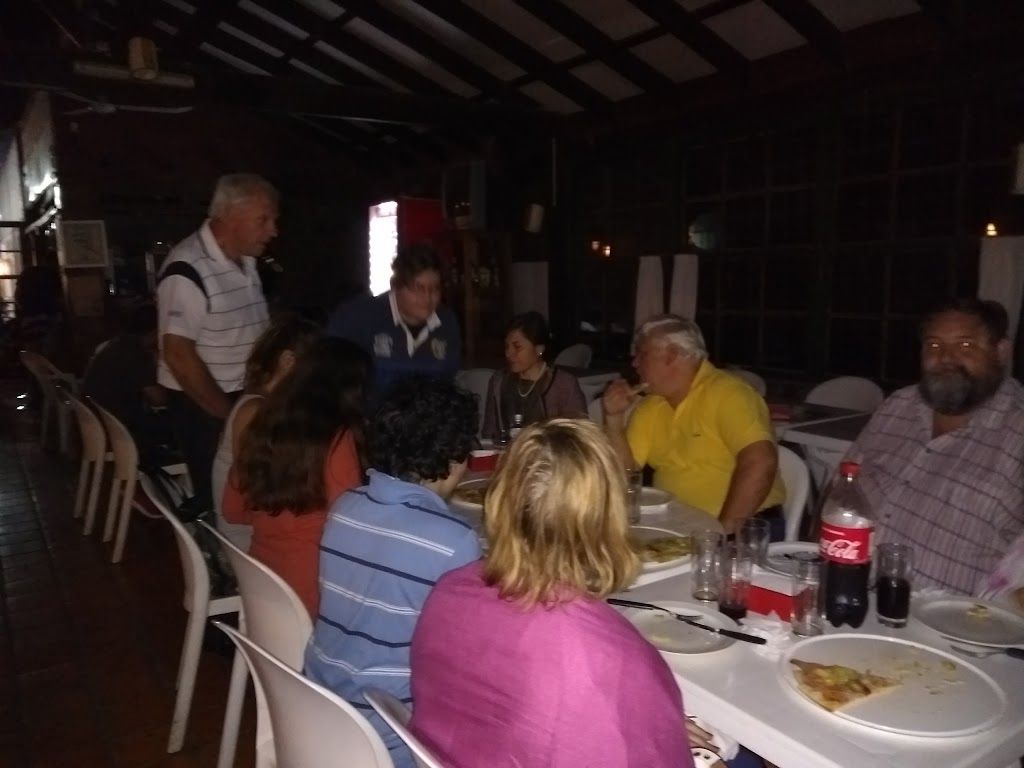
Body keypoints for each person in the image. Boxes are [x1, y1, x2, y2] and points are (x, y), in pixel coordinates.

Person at [408, 419, 701, 768]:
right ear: (609, 519)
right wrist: (651, 723)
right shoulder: (612, 657)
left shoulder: (448, 592)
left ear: (500, 499)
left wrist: (647, 722)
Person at [304, 376, 481, 768]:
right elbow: (467, 655)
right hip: (388, 731)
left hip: (317, 707)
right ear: (455, 458)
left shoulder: (345, 506)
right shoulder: (454, 540)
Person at [846, 297, 1024, 595]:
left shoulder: (1017, 434)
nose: (945, 358)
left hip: (950, 616)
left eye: (965, 345)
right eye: (934, 345)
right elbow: (842, 484)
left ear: (1001, 351)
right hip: (851, 589)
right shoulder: (898, 406)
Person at [222, 337, 370, 617]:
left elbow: (232, 511)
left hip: (261, 587)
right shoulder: (337, 439)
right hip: (314, 592)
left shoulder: (260, 428)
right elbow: (350, 528)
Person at [157, 173, 276, 515]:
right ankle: (210, 548)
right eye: (264, 219)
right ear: (230, 216)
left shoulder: (247, 262)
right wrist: (229, 416)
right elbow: (178, 355)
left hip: (243, 398)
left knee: (247, 497)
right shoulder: (187, 268)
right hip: (208, 405)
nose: (273, 230)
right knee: (222, 502)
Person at [602, 314, 785, 537]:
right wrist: (614, 419)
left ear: (671, 355)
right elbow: (625, 475)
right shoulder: (652, 403)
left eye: (642, 354)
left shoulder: (729, 394)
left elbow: (761, 461)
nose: (635, 363)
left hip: (744, 528)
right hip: (676, 524)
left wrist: (721, 534)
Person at [210, 314, 319, 549]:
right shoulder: (255, 410)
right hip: (245, 534)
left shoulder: (267, 403)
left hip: (255, 521)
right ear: (288, 361)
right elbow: (252, 492)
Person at [326, 242, 460, 397]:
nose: (428, 297)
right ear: (396, 287)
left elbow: (449, 382)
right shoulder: (357, 318)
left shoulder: (447, 324)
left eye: (435, 289)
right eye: (418, 288)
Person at [81, 304, 172, 469]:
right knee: (185, 423)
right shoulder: (136, 353)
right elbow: (159, 399)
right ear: (156, 331)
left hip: (101, 421)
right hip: (122, 428)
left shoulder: (118, 343)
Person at [480, 311, 587, 440]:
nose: (509, 353)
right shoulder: (499, 381)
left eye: (517, 347)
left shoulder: (563, 384)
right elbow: (489, 433)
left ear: (539, 349)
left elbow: (579, 435)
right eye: (507, 346)